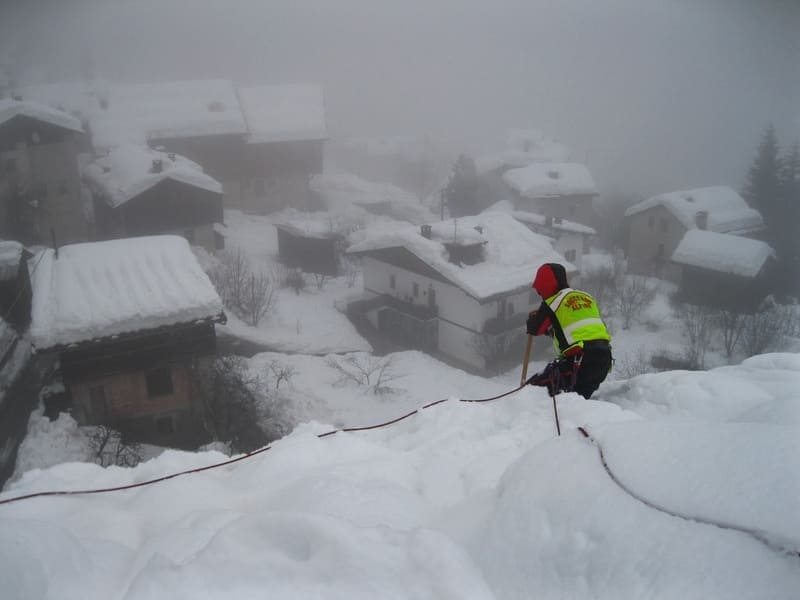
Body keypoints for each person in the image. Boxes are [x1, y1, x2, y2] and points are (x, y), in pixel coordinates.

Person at [525, 263, 612, 399]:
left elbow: (535, 328)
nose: (540, 295)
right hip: (604, 362)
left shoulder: (552, 302)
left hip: (579, 363)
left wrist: (532, 320)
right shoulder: (586, 297)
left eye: (540, 291)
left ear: (546, 285)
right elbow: (576, 325)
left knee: (533, 391)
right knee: (578, 400)